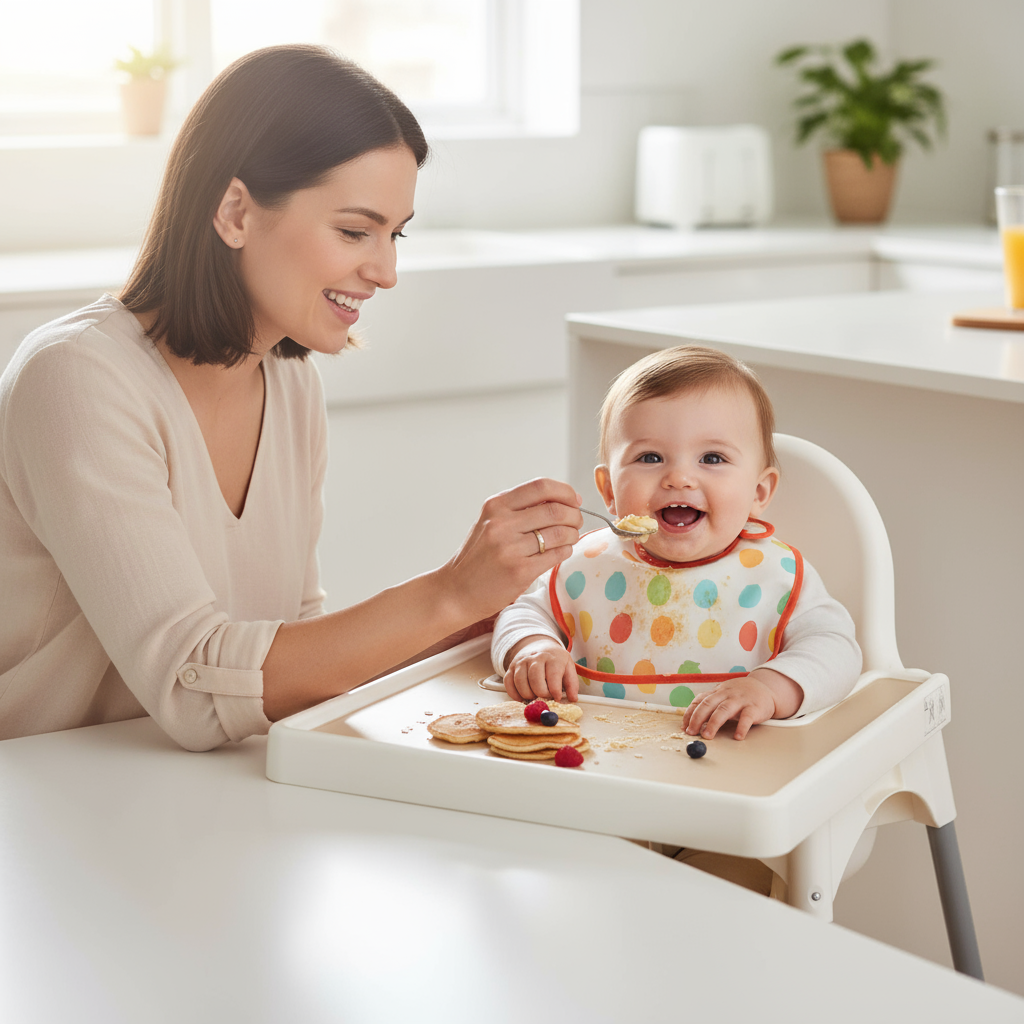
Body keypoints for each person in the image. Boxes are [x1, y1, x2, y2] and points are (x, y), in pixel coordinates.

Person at [0, 45, 582, 749]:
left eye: (395, 235)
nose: (387, 270)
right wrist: (449, 592)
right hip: (46, 798)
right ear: (236, 212)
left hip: (194, 796)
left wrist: (487, 616)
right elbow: (196, 685)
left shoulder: (289, 381)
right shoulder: (77, 378)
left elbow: (285, 657)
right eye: (354, 230)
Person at [492, 345, 862, 740]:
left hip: (730, 764)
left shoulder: (776, 575)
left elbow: (837, 650)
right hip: (599, 756)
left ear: (759, 491)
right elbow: (521, 614)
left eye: (712, 458)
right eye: (650, 458)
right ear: (609, 490)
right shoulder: (586, 566)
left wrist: (769, 688)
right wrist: (533, 648)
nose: (679, 478)